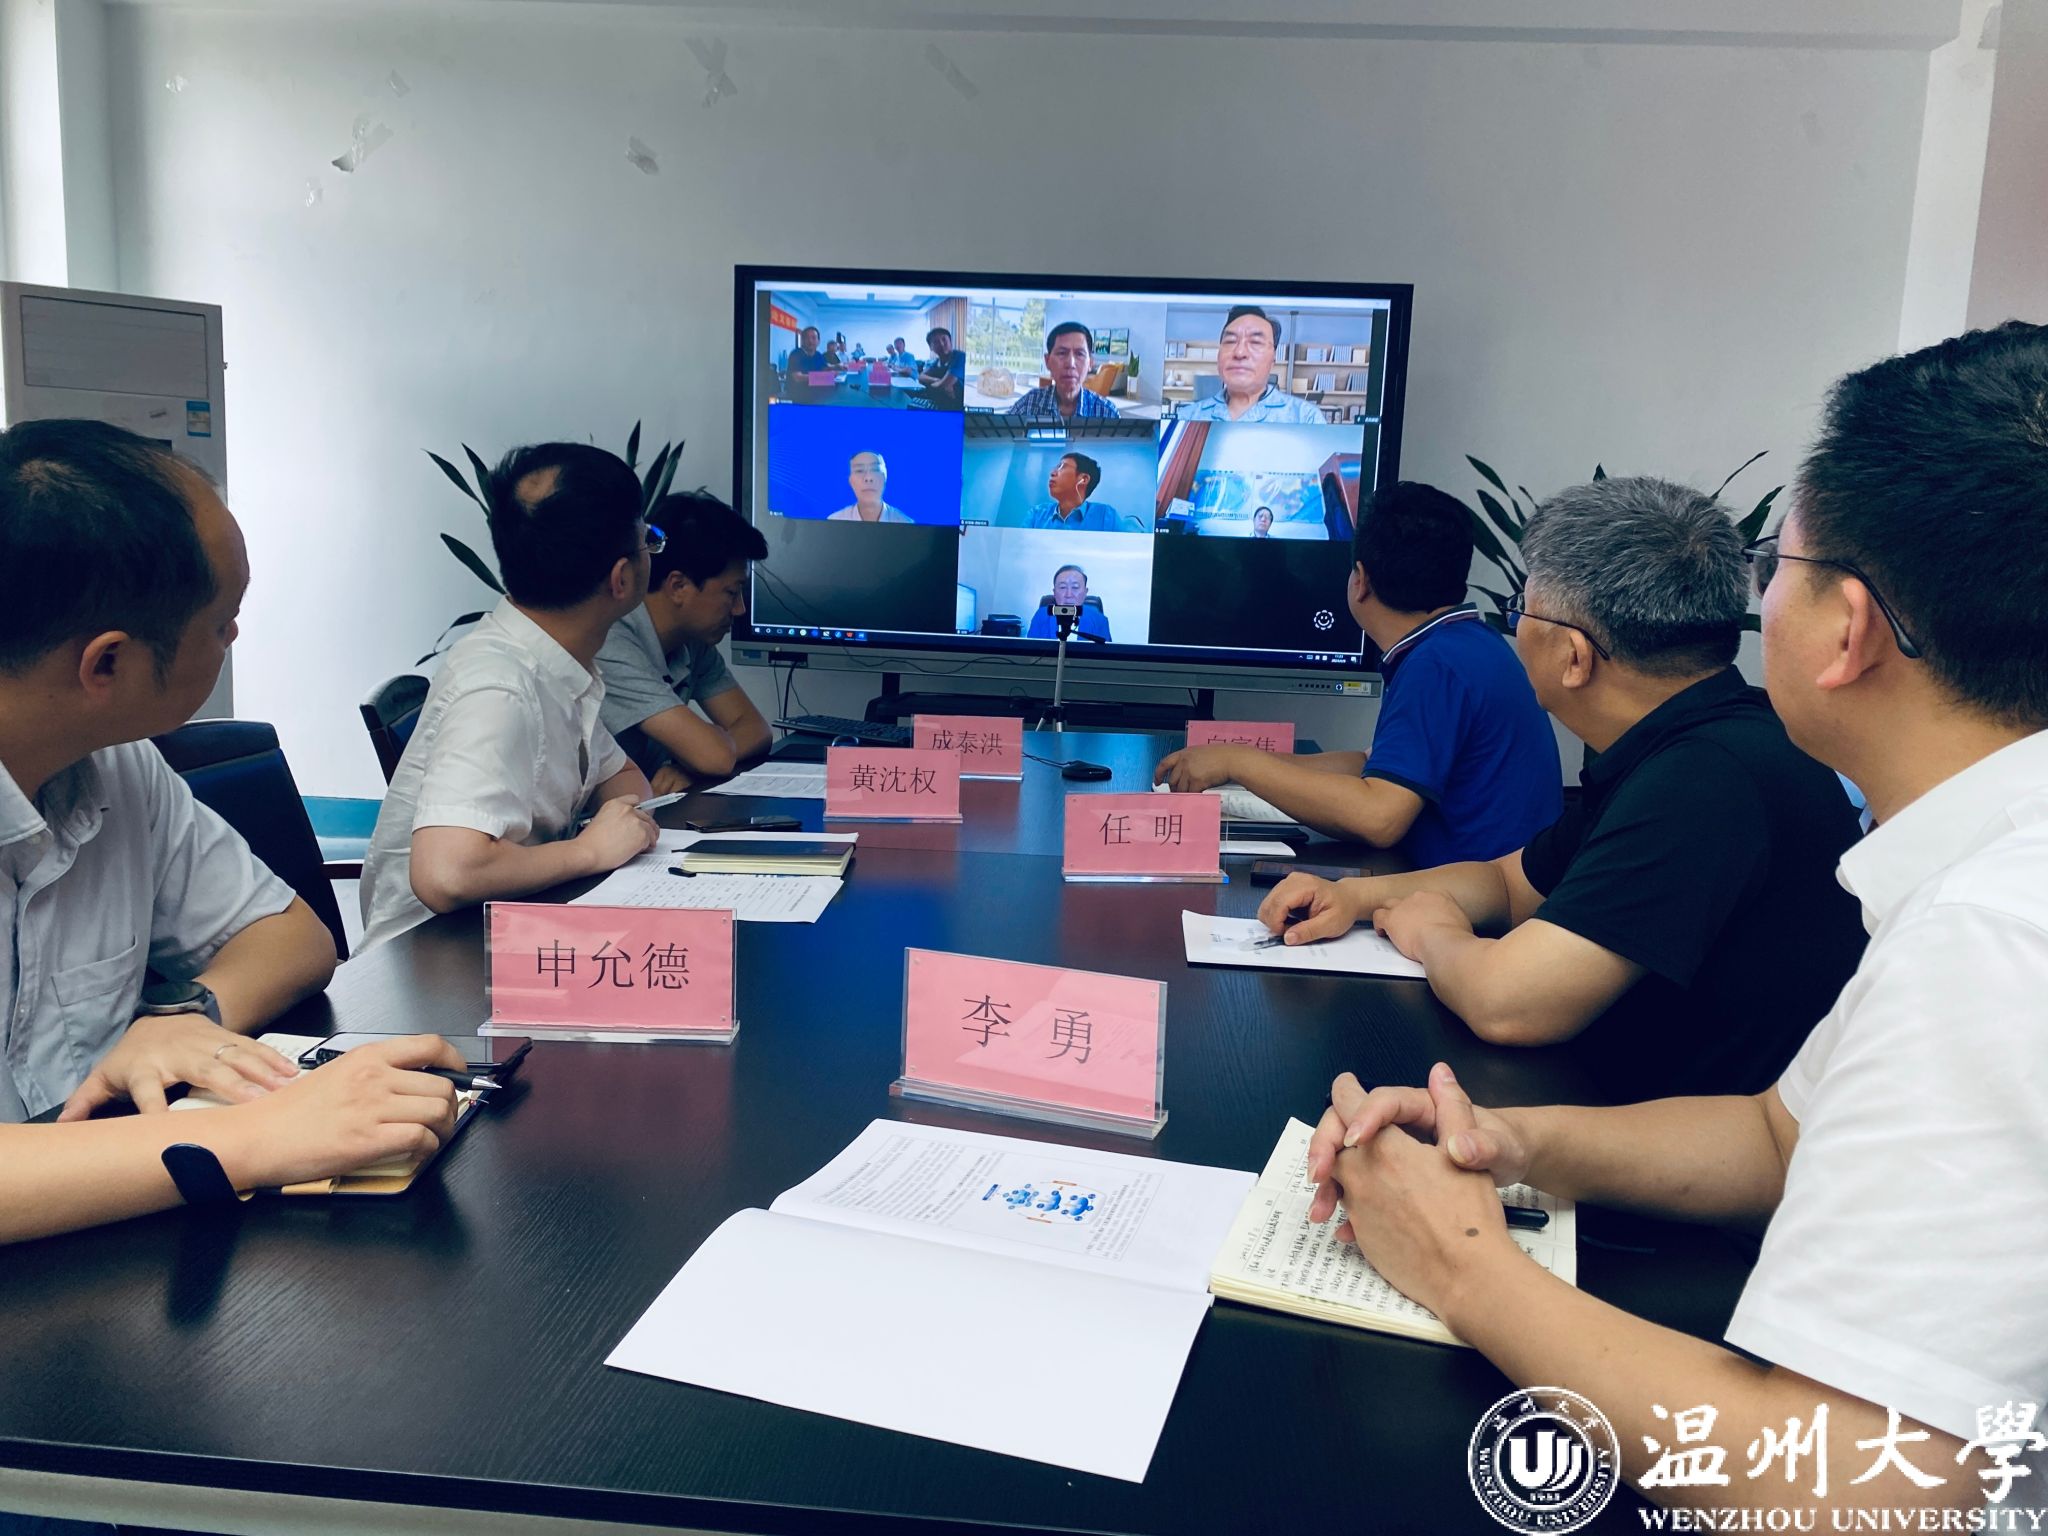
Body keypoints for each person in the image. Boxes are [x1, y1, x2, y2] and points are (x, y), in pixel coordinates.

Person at [1292, 323, 2048, 1520]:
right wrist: (1509, 1142)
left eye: (1777, 566)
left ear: (1846, 628)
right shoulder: (1982, 867)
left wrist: (1455, 1259)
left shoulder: (1993, 939)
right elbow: (1775, 1138)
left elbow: (1859, 1491)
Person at [0, 419, 465, 1244]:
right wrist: (248, 1138)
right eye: (221, 623)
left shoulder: (116, 763)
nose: (235, 639)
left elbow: (293, 939)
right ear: (106, 664)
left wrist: (184, 1017)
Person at [1257, 476, 1868, 1103]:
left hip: (1673, 1137)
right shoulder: (1689, 739)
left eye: (1523, 608)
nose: (1514, 627)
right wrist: (1353, 898)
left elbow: (1508, 1003)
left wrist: (1433, 932)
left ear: (1575, 657)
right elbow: (1508, 883)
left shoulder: (1707, 778)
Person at [1157, 482, 1560, 866]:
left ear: (1361, 580)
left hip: (1478, 905)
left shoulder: (1436, 665)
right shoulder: (1468, 643)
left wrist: (1239, 763)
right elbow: (1369, 765)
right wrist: (1237, 765)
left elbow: (1378, 817)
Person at [359, 443, 661, 950]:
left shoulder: (553, 662)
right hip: (430, 962)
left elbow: (624, 779)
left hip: (509, 929)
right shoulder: (500, 686)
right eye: (648, 540)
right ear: (622, 578)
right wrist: (589, 851)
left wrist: (615, 828)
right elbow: (447, 873)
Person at [597, 490, 772, 795]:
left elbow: (756, 729)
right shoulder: (611, 640)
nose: (739, 609)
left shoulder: (693, 642)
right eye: (731, 593)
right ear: (678, 586)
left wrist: (688, 765)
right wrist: (702, 756)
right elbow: (714, 757)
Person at [1174, 305, 1328, 424]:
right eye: (1230, 341)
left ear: (1273, 359)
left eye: (1255, 342)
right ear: (1218, 355)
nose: (1240, 352)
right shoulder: (1187, 417)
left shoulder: (1305, 418)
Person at [1008, 321, 1121, 422]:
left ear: (1090, 363)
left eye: (1079, 354)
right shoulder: (1027, 405)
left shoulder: (1108, 413)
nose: (1070, 363)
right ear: (1047, 361)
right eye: (1062, 353)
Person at [1023, 451, 1122, 531]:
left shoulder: (1106, 516)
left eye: (1062, 467)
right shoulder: (1037, 514)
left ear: (1084, 479)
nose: (1052, 473)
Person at [1025, 564, 1111, 642]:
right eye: (1062, 587)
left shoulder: (1099, 620)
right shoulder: (1041, 616)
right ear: (1054, 593)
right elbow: (1030, 651)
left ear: (1085, 592)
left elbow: (1105, 653)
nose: (1069, 595)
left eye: (1075, 587)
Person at [826, 451, 913, 523]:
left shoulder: (905, 524)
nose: (868, 478)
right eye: (859, 471)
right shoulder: (835, 522)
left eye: (875, 469)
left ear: (885, 477)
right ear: (850, 480)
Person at [917, 327, 965, 407]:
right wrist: (937, 380)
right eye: (936, 342)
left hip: (958, 408)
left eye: (944, 339)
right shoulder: (937, 362)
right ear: (931, 347)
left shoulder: (959, 356)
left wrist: (933, 384)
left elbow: (945, 384)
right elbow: (920, 377)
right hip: (941, 403)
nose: (942, 344)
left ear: (950, 342)